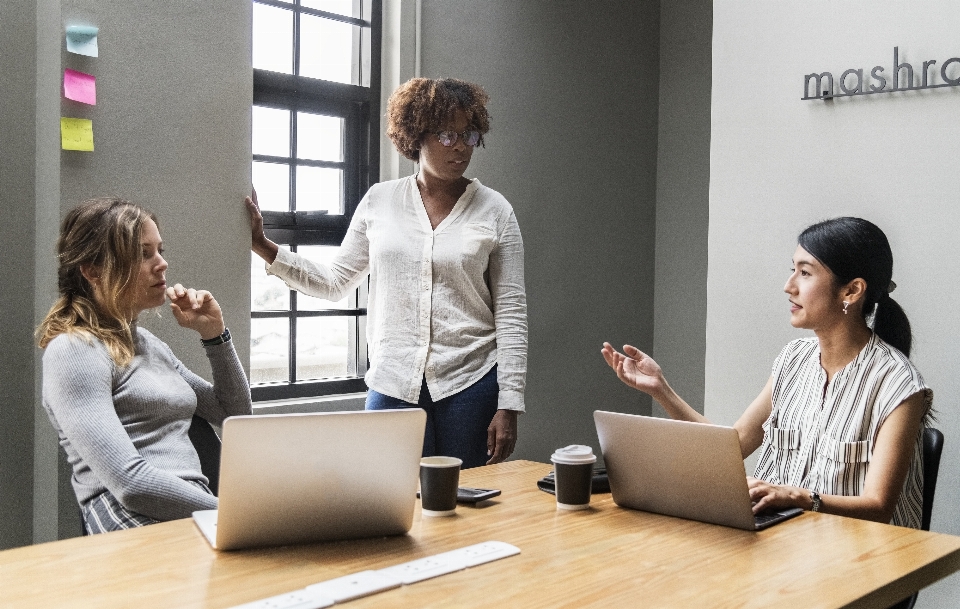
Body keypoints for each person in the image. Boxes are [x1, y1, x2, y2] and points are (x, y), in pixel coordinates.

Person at [246, 77, 527, 469]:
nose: (461, 146)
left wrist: (509, 403)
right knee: (390, 501)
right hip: (393, 380)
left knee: (465, 509)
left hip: (471, 383)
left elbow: (511, 314)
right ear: (416, 135)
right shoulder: (379, 201)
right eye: (447, 135)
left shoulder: (495, 211)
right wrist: (263, 245)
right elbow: (334, 282)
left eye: (470, 134)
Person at [602, 217, 932, 528]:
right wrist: (662, 390)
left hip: (861, 564)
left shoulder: (898, 384)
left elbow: (878, 506)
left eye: (805, 272)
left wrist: (799, 498)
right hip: (782, 543)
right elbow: (732, 447)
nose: (789, 286)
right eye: (793, 270)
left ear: (851, 291)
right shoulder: (792, 360)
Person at [38, 198, 252, 534]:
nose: (162, 264)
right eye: (143, 253)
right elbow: (131, 484)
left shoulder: (151, 346)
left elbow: (234, 412)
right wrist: (236, 512)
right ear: (92, 271)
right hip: (129, 516)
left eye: (159, 250)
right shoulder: (74, 351)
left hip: (193, 507)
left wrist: (215, 335)